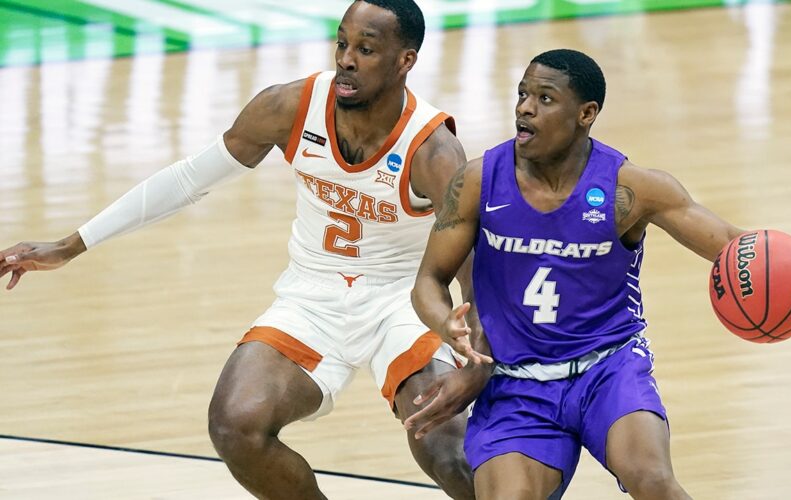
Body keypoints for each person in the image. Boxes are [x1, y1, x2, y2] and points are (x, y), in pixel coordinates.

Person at [0, 1, 478, 498]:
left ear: (405, 60)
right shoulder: (291, 106)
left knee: (451, 455)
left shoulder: (433, 150)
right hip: (313, 296)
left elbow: (473, 267)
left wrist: (479, 364)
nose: (347, 59)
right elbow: (189, 179)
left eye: (366, 49)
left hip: (401, 302)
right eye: (342, 43)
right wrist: (69, 245)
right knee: (235, 425)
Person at [404, 48, 791, 499]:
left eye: (545, 99)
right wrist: (446, 324)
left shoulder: (632, 188)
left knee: (654, 481)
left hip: (608, 367)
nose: (525, 108)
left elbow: (732, 244)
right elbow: (429, 279)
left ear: (586, 114)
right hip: (516, 381)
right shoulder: (478, 181)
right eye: (523, 94)